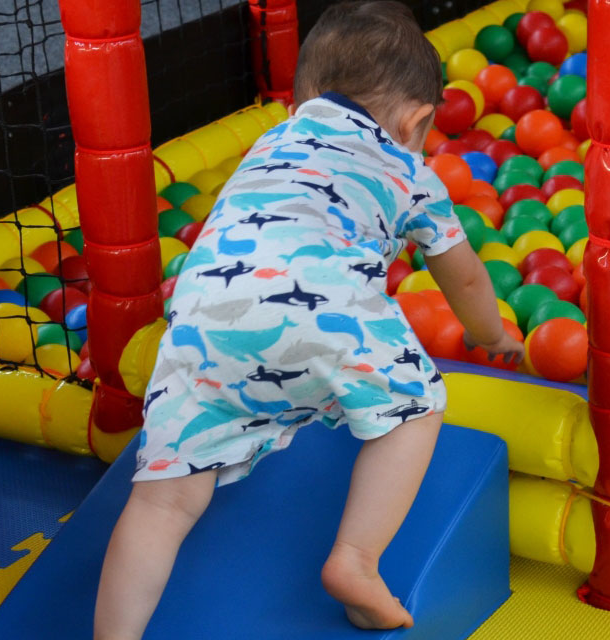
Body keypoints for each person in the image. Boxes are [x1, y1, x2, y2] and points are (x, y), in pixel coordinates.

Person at [94, 2, 524, 637]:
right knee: (417, 405)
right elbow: (461, 276)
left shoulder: (270, 141)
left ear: (303, 101)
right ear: (418, 120)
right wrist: (493, 336)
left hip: (203, 317)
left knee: (162, 501)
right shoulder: (410, 169)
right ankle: (355, 560)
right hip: (321, 308)